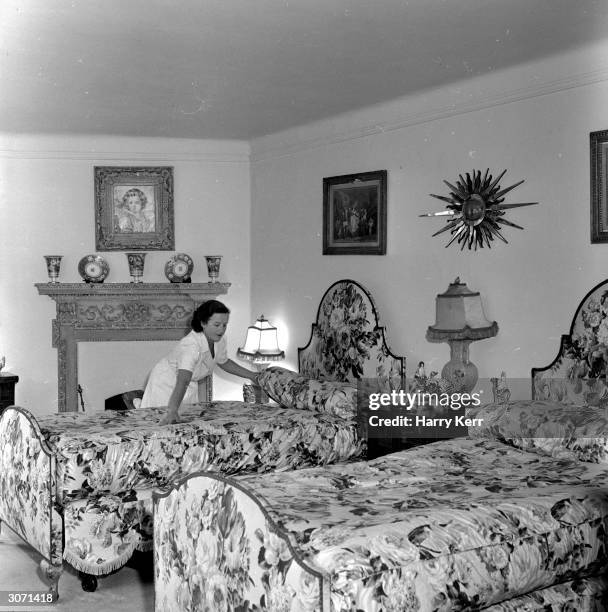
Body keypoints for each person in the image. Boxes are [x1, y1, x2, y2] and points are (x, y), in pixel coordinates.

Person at [140, 300, 259, 424]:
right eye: (217, 324)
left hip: (187, 384)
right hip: (166, 384)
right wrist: (172, 410)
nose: (221, 329)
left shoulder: (220, 339)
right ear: (203, 323)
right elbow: (183, 380)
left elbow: (224, 362)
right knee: (160, 424)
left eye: (225, 325)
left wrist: (252, 375)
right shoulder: (191, 345)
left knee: (186, 426)